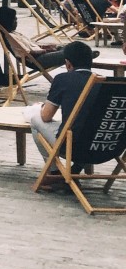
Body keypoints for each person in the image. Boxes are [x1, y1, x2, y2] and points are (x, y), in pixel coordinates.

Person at [29, 40, 96, 180]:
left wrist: (40, 108)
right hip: (107, 146)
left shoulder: (63, 79)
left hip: (74, 147)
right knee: (87, 126)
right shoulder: (106, 82)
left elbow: (46, 117)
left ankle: (54, 172)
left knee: (35, 119)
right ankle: (75, 171)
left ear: (68, 63)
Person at [0, 6, 65, 69]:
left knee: (70, 47)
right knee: (72, 52)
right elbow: (28, 52)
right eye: (15, 19)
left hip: (41, 55)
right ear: (8, 21)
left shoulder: (14, 33)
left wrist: (45, 47)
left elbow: (31, 47)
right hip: (39, 60)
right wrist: (46, 50)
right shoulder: (11, 37)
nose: (16, 22)